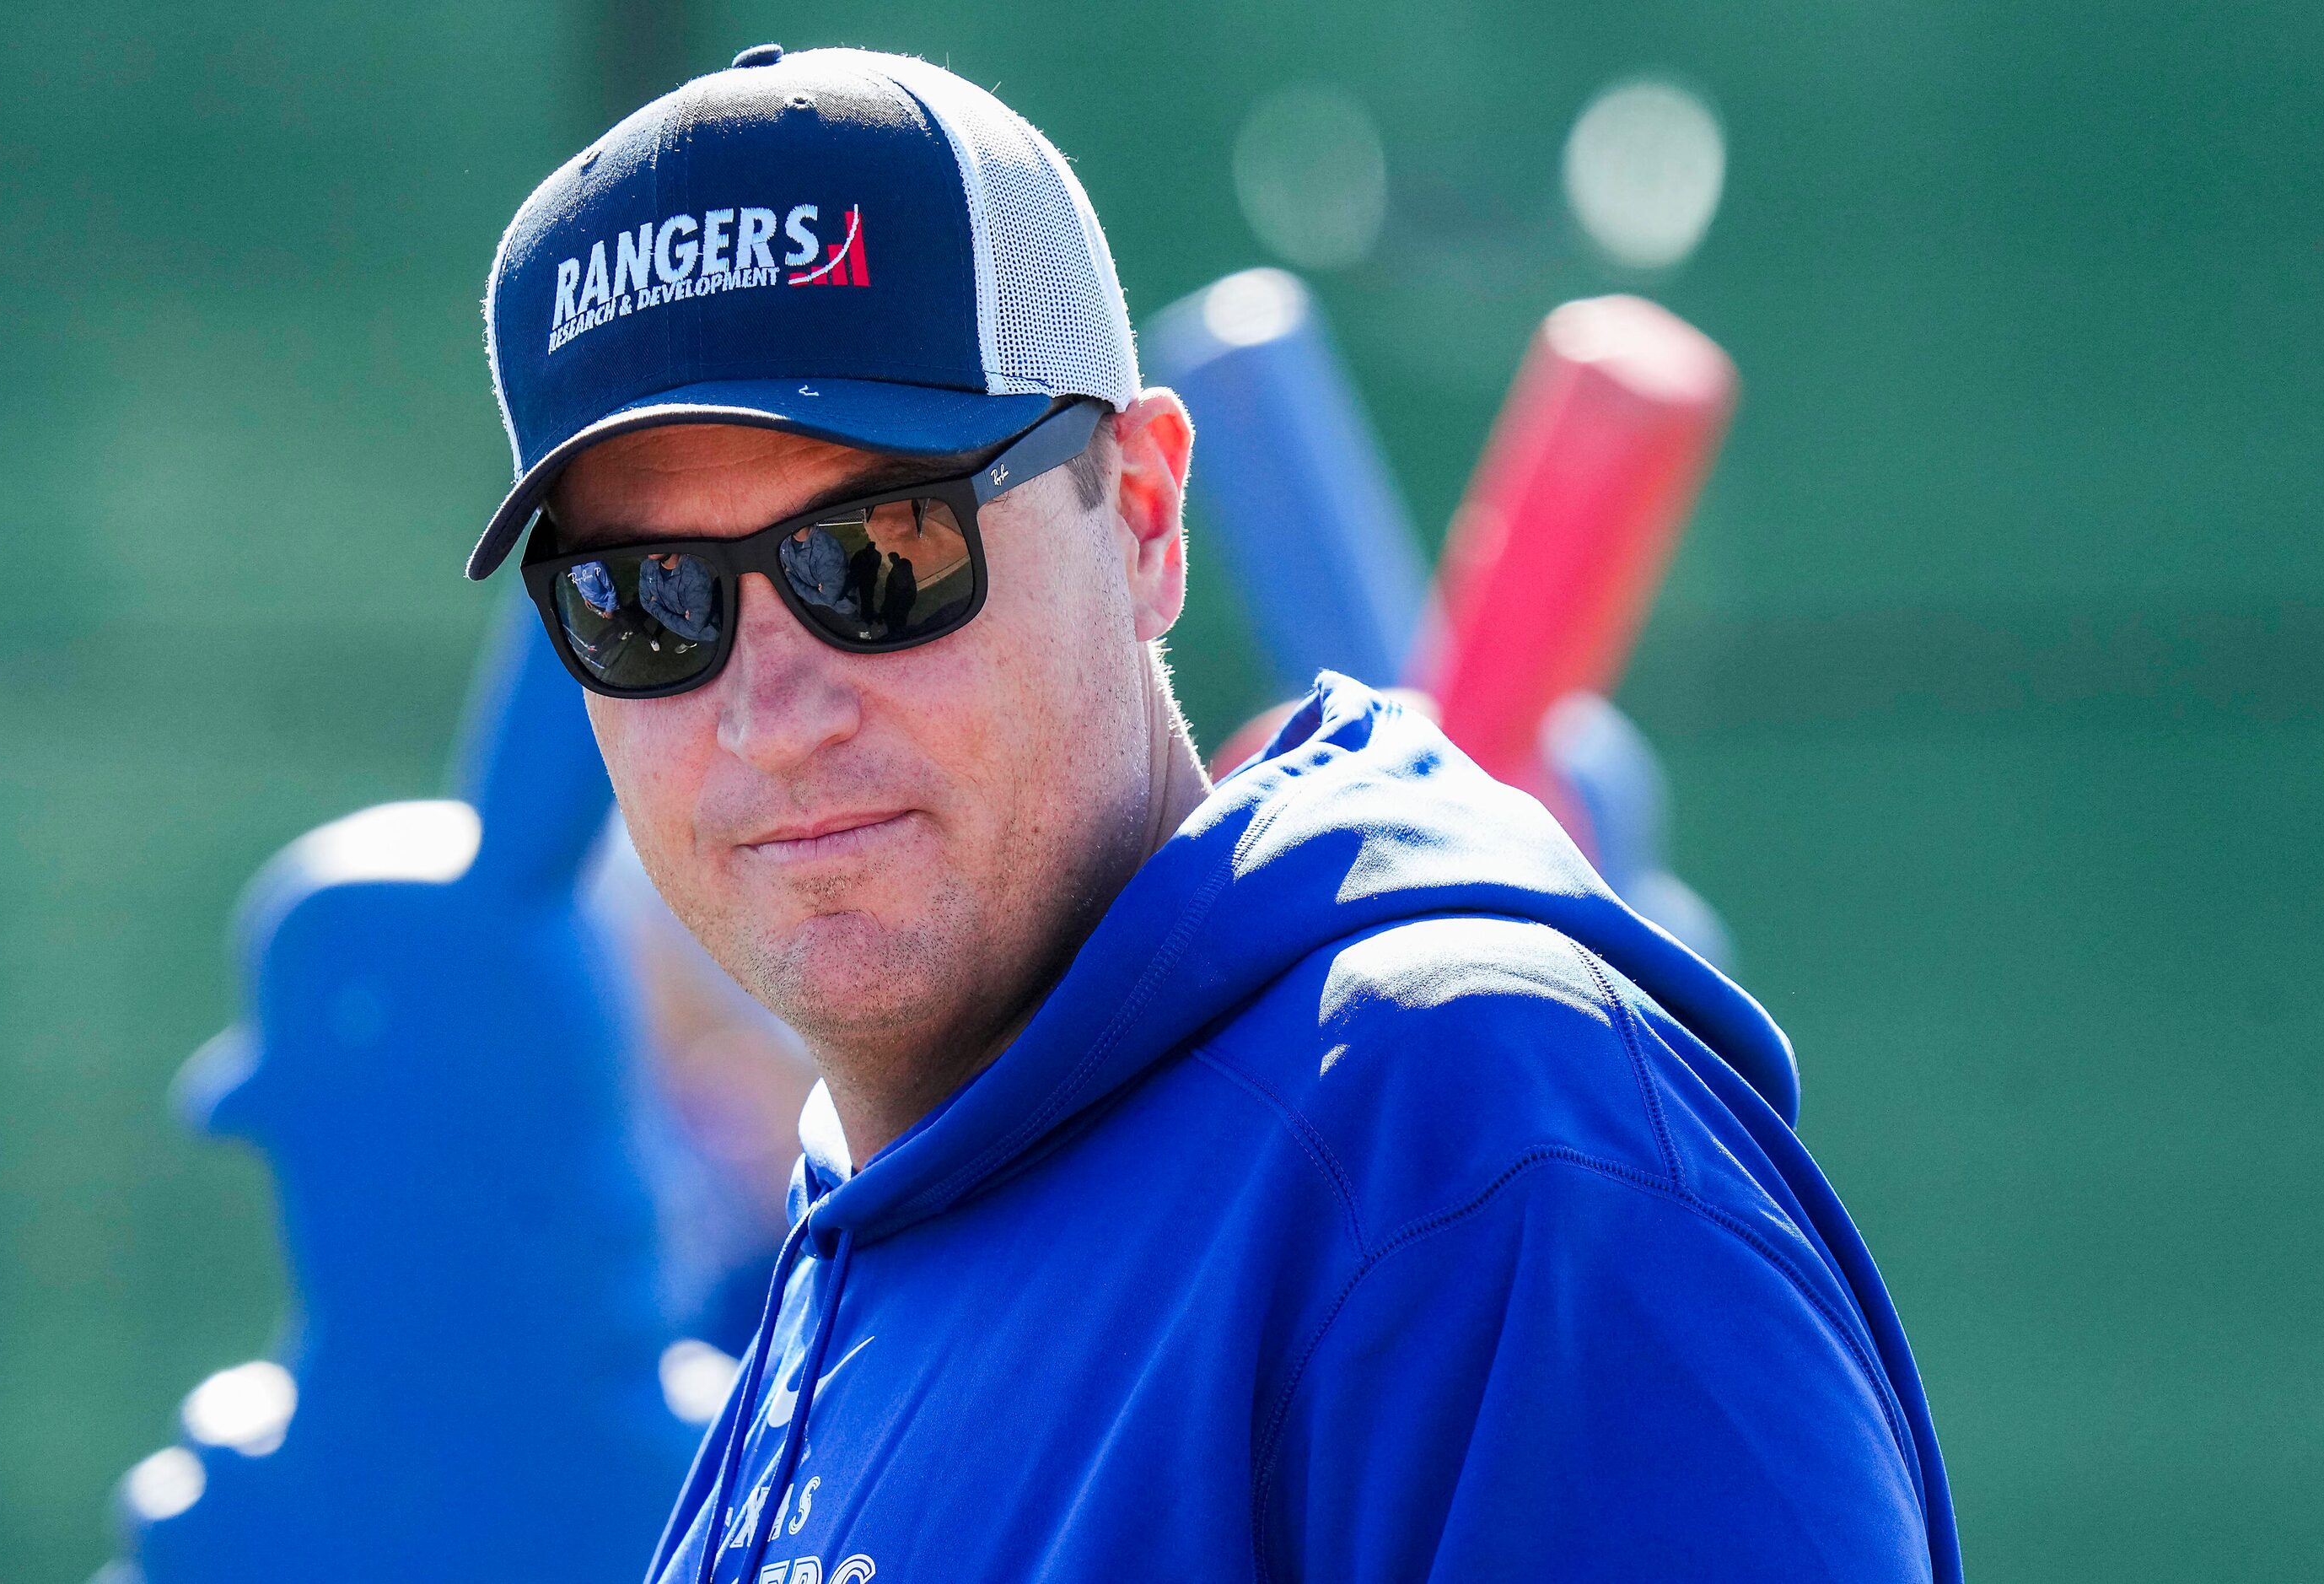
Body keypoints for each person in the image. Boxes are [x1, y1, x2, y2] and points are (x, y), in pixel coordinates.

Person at [465, 44, 1961, 1584]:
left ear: (1142, 516)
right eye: (641, 602)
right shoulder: (863, 1237)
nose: (772, 714)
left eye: (879, 553)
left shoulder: (1479, 1147)